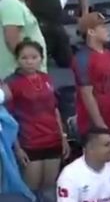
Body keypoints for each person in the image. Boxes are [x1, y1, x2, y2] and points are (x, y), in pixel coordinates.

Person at [6, 41, 68, 191]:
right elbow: (8, 118)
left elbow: (54, 109)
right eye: (24, 58)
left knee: (50, 189)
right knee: (32, 189)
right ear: (17, 60)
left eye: (34, 57)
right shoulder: (10, 83)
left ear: (41, 58)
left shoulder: (46, 78)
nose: (29, 62)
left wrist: (63, 137)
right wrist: (17, 148)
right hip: (28, 143)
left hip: (53, 141)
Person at [73, 12, 110, 149]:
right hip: (93, 125)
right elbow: (87, 94)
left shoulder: (109, 54)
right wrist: (100, 125)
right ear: (91, 32)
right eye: (103, 27)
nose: (108, 30)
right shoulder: (82, 58)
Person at [0, 0, 45, 78]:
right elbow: (12, 40)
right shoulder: (10, 4)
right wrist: (28, 68)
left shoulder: (17, 3)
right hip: (20, 74)